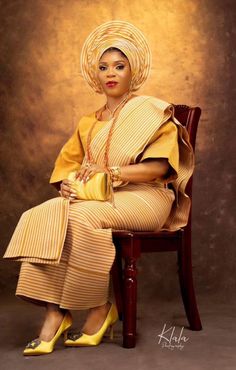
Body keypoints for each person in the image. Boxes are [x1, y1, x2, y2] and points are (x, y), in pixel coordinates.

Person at [3, 20, 194, 355]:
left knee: (80, 218)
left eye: (119, 66)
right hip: (105, 198)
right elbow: (68, 168)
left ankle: (96, 309)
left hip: (147, 198)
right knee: (49, 211)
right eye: (103, 67)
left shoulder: (150, 110)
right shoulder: (88, 123)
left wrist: (115, 172)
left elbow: (160, 168)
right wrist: (66, 186)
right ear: (95, 75)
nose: (111, 73)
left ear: (132, 72)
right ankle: (56, 311)